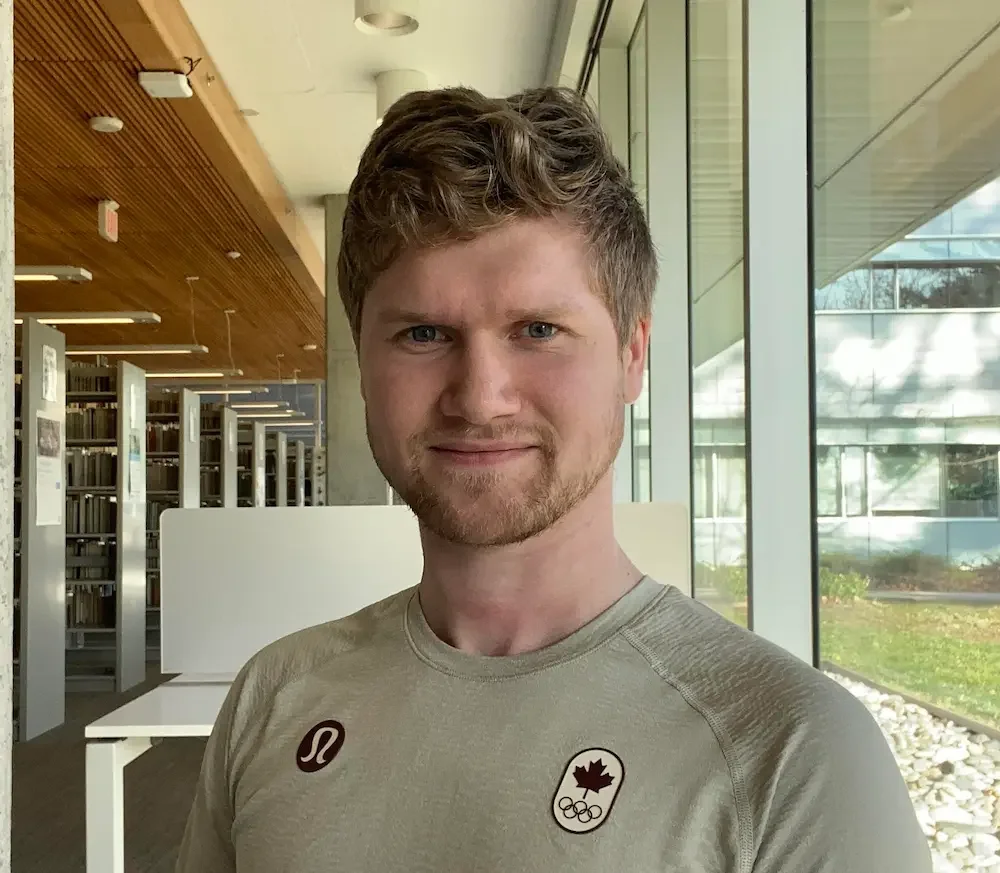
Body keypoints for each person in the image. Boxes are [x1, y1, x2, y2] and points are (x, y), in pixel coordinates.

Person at [175, 86, 931, 872]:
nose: (479, 396)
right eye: (423, 333)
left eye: (539, 330)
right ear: (362, 358)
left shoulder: (790, 751)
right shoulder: (276, 695)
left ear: (633, 354)